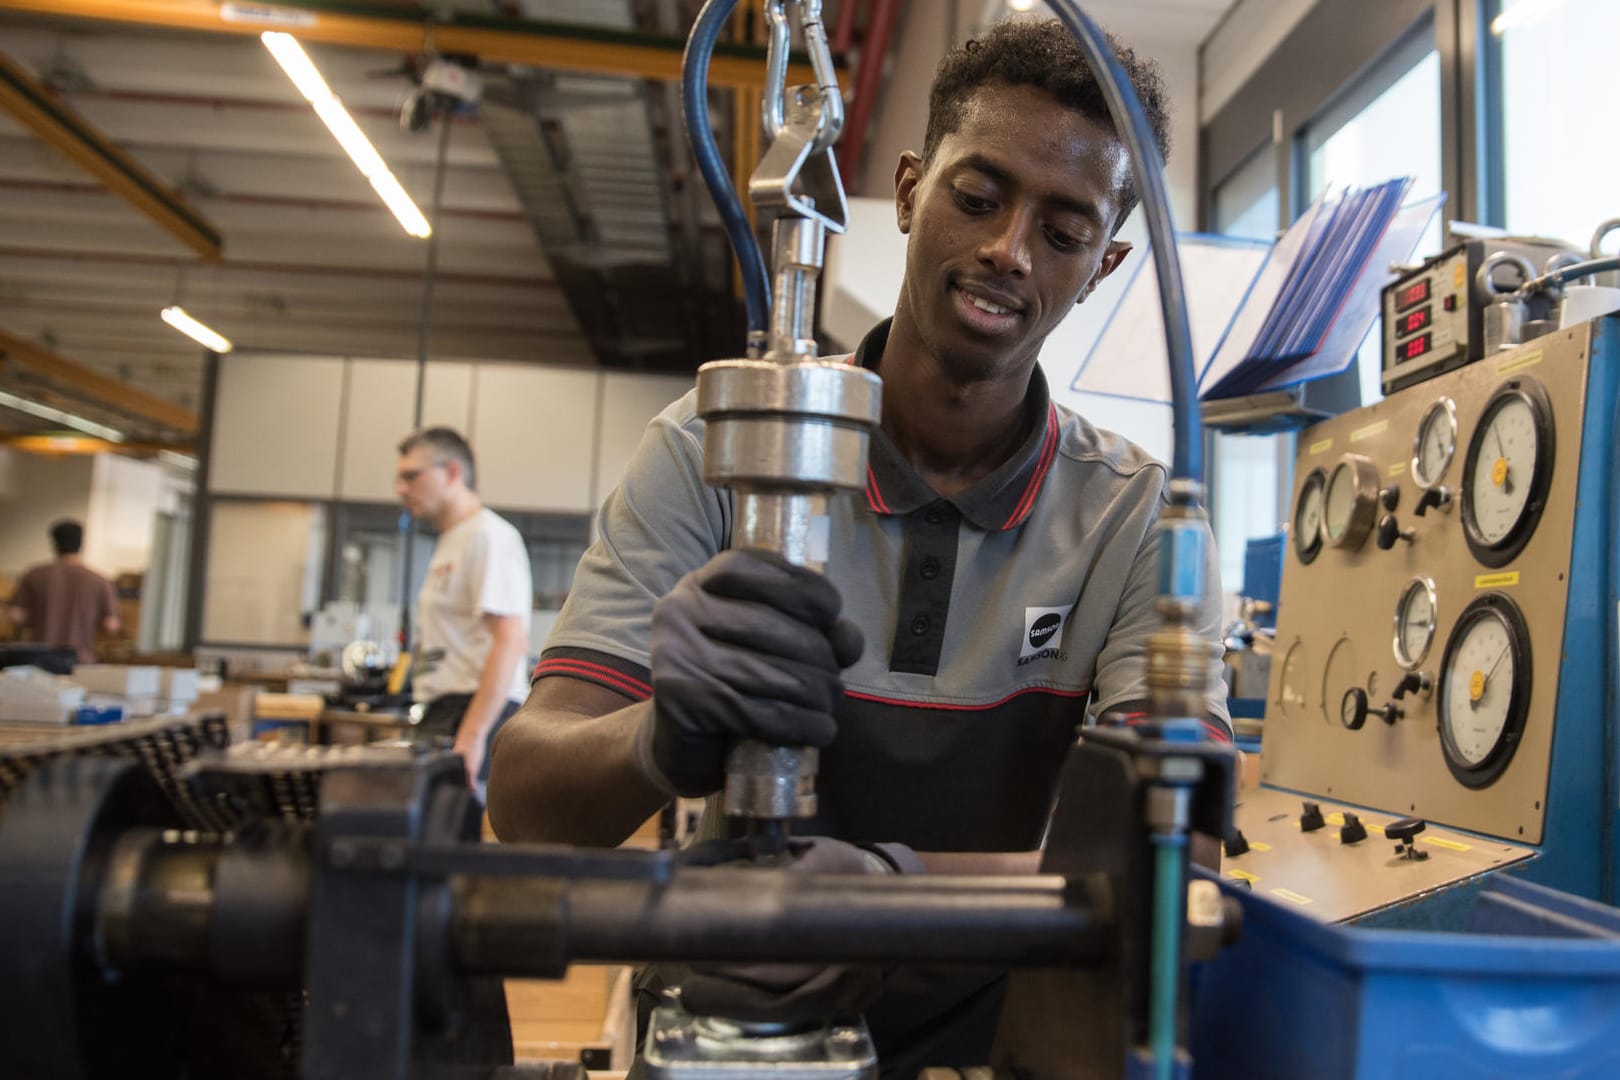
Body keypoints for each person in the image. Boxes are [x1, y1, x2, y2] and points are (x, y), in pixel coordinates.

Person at [489, 18, 1229, 1075]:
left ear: (1106, 262)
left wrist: (891, 899)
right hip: (736, 1023)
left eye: (1064, 231)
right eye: (978, 197)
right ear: (911, 188)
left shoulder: (1139, 522)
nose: (1007, 251)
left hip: (1009, 1041)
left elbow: (1177, 859)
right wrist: (662, 737)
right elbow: (524, 800)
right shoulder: (715, 447)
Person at [396, 427, 533, 798]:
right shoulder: (452, 539)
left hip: (475, 715)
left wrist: (471, 740)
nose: (401, 488)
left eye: (412, 475)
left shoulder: (488, 537)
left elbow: (510, 641)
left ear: (452, 473)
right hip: (444, 713)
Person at [6, 519, 120, 665]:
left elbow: (15, 614)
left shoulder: (34, 575)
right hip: (80, 660)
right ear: (81, 544)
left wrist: (35, 618)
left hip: (40, 658)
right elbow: (111, 625)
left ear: (54, 543)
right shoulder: (100, 581)